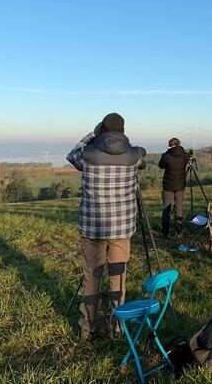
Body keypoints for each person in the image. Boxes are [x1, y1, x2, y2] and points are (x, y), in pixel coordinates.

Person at [66, 112, 147, 341]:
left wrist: (92, 134)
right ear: (122, 131)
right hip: (122, 227)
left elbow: (71, 156)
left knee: (92, 277)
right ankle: (117, 328)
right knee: (118, 278)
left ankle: (87, 330)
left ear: (102, 129)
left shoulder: (88, 153)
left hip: (93, 228)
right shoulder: (132, 155)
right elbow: (141, 159)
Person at [158, 138, 190, 238]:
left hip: (168, 186)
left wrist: (168, 151)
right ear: (179, 144)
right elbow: (188, 157)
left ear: (170, 145)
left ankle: (165, 231)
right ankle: (179, 231)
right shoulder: (185, 155)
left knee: (166, 208)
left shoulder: (166, 156)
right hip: (180, 185)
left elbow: (161, 165)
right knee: (179, 207)